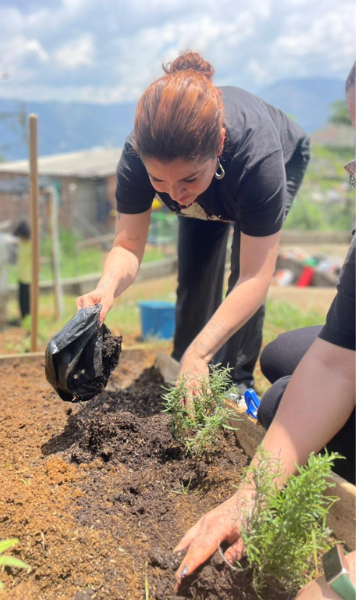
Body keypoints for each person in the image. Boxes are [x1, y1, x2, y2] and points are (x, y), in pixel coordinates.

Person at [174, 62, 356, 597]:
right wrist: (248, 497)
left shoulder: (260, 157)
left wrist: (345, 584)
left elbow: (253, 274)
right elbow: (336, 359)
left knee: (279, 408)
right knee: (283, 363)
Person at [77, 51, 310, 391]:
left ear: (218, 144)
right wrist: (107, 286)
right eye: (159, 182)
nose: (175, 196)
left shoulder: (257, 161)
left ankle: (234, 379)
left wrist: (203, 354)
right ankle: (183, 363)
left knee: (239, 272)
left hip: (274, 161)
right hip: (215, 177)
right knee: (195, 270)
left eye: (187, 180)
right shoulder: (139, 157)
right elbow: (128, 244)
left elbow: (253, 276)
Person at [13, 221, 32, 322]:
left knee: (27, 300)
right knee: (21, 300)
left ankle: (28, 318)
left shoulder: (32, 244)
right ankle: (24, 317)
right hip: (21, 274)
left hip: (29, 276)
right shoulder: (21, 242)